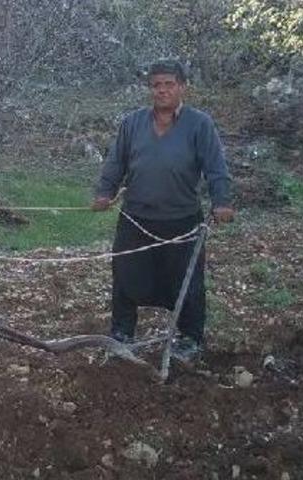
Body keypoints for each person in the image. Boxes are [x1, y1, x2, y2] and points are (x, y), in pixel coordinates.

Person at [91, 59, 235, 362]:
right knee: (125, 276)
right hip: (135, 218)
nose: (162, 90)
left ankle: (190, 338)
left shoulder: (200, 124)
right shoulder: (132, 123)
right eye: (156, 85)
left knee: (187, 282)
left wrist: (221, 202)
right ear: (150, 89)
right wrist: (105, 192)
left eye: (169, 84)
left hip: (182, 221)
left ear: (182, 87)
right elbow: (116, 162)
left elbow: (216, 168)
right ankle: (122, 335)